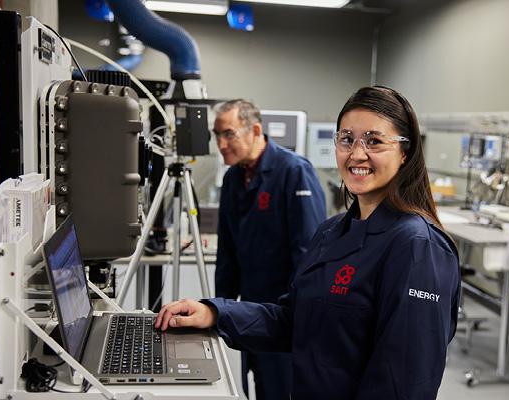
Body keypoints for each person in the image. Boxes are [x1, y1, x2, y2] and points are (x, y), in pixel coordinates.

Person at [155, 86, 461, 399]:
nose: (357, 153)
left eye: (374, 141)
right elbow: (293, 320)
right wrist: (216, 313)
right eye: (347, 139)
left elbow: (404, 383)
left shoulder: (417, 246)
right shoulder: (332, 232)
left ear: (405, 152)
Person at [211, 99, 326, 400]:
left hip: (285, 318)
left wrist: (300, 321)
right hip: (249, 312)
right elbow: (228, 253)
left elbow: (310, 258)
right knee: (258, 385)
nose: (221, 144)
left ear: (255, 130)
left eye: (229, 134)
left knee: (280, 390)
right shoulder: (233, 178)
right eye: (217, 135)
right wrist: (218, 311)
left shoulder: (294, 172)